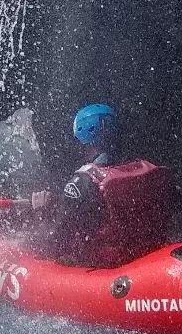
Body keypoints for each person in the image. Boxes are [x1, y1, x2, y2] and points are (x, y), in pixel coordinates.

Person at [25, 104, 117, 264]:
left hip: (100, 262)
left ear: (82, 136)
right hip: (130, 251)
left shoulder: (82, 182)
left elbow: (53, 245)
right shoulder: (135, 166)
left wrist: (40, 212)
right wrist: (62, 201)